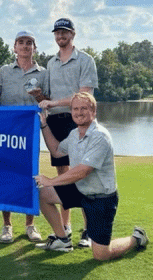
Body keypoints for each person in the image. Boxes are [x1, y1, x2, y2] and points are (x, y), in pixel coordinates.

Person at [35, 92, 148, 260]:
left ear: (94, 111)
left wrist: (51, 181)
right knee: (42, 194)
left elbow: (83, 171)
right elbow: (57, 151)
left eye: (84, 108)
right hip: (80, 191)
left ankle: (137, 238)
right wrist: (44, 125)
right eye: (75, 109)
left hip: (101, 199)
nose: (79, 112)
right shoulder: (74, 134)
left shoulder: (100, 136)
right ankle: (62, 240)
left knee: (102, 255)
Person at [39, 18, 98, 247]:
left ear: (72, 33)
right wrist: (41, 99)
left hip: (79, 122)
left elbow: (84, 96)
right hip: (56, 122)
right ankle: (65, 228)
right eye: (57, 32)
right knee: (63, 173)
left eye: (64, 32)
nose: (60, 35)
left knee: (81, 174)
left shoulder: (85, 59)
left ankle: (89, 231)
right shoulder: (51, 63)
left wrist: (52, 103)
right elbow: (47, 97)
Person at [0, 30, 48, 244]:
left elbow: (47, 101)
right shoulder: (5, 71)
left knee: (31, 177)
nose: (25, 46)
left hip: (31, 133)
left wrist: (40, 96)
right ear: (14, 47)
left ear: (35, 48)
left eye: (29, 43)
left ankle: (30, 225)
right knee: (6, 177)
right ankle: (7, 226)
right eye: (21, 42)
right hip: (7, 132)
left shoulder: (43, 72)